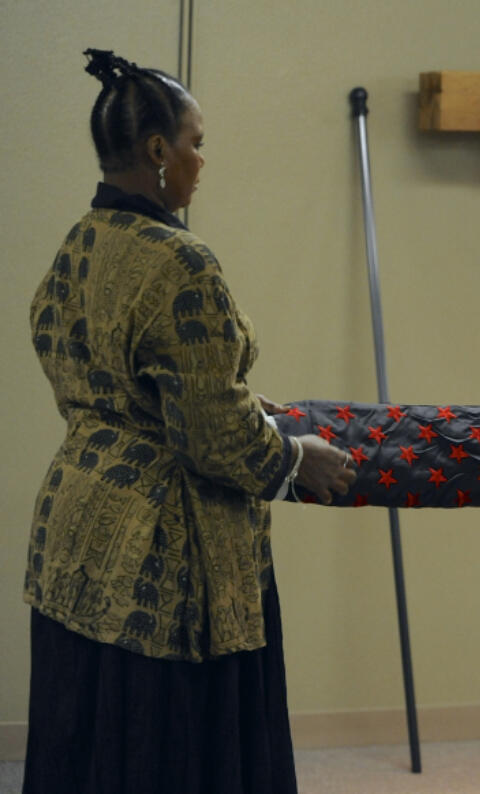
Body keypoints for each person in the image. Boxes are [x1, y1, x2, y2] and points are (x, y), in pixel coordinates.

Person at [22, 49, 355, 793]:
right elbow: (213, 439)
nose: (202, 162)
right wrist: (297, 457)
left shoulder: (81, 244)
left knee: (88, 745)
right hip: (162, 554)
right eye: (196, 143)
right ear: (156, 152)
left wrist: (229, 394)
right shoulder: (182, 262)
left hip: (74, 530)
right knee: (168, 756)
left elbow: (121, 377)